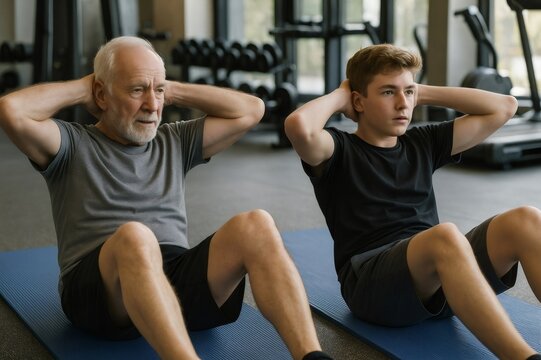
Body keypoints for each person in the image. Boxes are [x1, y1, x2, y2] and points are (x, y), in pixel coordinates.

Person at [0, 36, 333, 360]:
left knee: (257, 224)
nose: (152, 105)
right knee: (135, 235)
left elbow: (252, 109)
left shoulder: (173, 140)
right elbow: (11, 109)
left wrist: (164, 86)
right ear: (101, 94)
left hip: (172, 277)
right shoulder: (70, 144)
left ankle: (312, 356)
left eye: (158, 92)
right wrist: (88, 85)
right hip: (101, 293)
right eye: (136, 91)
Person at [284, 43, 541, 360]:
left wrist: (418, 90)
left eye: (408, 93)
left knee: (525, 219)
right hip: (372, 286)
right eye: (388, 93)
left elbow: (504, 106)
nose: (403, 104)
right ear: (359, 101)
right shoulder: (337, 149)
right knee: (444, 236)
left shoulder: (423, 141)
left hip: (440, 279)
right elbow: (298, 126)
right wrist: (342, 94)